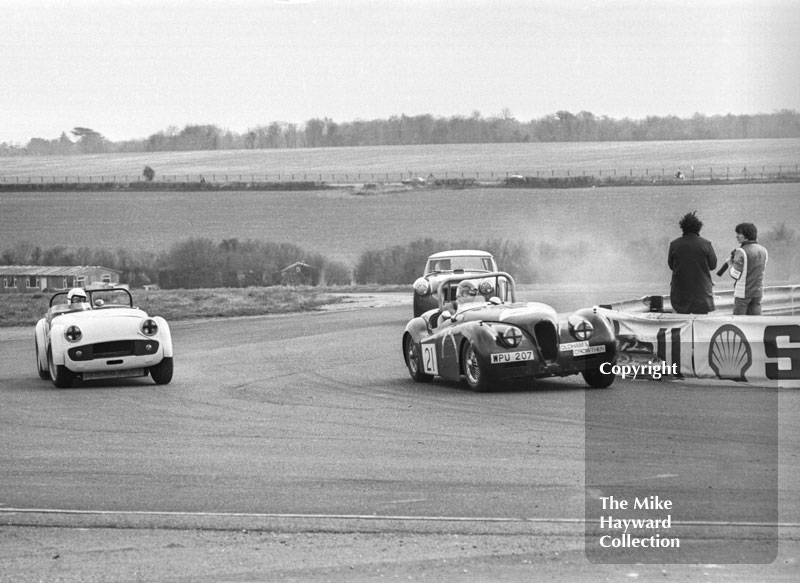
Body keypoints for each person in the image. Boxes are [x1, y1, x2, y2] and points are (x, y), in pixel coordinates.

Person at [667, 211, 718, 314]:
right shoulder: (706, 244)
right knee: (701, 323)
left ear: (683, 227)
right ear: (698, 228)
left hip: (681, 293)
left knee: (682, 321)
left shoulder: (674, 244)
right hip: (702, 292)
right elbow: (713, 265)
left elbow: (671, 266)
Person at [728, 222, 768, 315]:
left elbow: (735, 275)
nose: (737, 236)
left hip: (743, 294)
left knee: (739, 325)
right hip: (758, 293)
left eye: (739, 234)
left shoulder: (741, 251)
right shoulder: (763, 250)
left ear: (746, 235)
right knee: (755, 324)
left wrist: (730, 264)